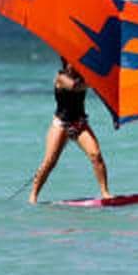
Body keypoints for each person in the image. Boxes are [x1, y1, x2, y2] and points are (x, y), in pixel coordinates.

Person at [28, 57, 112, 204]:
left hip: (79, 123)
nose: (76, 65)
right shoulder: (61, 77)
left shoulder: (84, 76)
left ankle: (105, 192)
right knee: (49, 161)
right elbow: (74, 87)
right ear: (66, 63)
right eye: (73, 62)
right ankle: (33, 196)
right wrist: (97, 81)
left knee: (96, 155)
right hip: (61, 124)